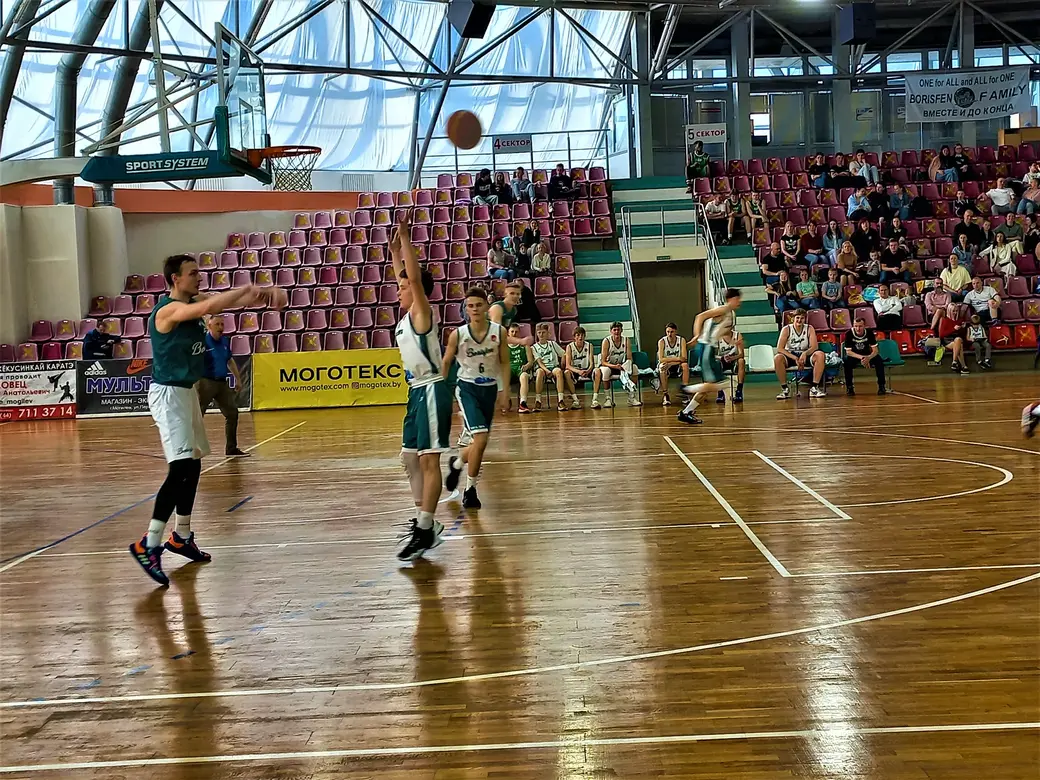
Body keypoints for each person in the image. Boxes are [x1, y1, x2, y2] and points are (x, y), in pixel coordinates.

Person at [128, 254, 285, 585]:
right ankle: (149, 542)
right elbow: (205, 308)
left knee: (195, 463)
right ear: (175, 279)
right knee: (181, 467)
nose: (199, 277)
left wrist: (266, 293)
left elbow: (218, 303)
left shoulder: (193, 299)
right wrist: (248, 287)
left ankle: (181, 536)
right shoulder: (168, 311)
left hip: (186, 391)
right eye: (193, 273)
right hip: (169, 395)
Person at [391, 216, 453, 561]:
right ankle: (424, 521)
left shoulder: (422, 313)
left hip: (431, 388)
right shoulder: (405, 318)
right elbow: (404, 276)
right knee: (408, 457)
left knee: (429, 461)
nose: (398, 289)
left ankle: (426, 527)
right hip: (415, 392)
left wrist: (404, 238)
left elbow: (412, 279)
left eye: (402, 288)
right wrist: (393, 252)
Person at [441, 286, 511, 509]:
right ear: (466, 309)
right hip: (467, 388)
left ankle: (458, 463)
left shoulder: (498, 332)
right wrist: (442, 391)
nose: (474, 309)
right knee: (480, 440)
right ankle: (470, 490)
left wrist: (505, 391)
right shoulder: (458, 334)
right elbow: (446, 362)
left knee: (479, 444)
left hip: (489, 389)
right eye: (470, 305)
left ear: (487, 306)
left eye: (478, 305)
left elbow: (505, 362)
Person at [677, 288, 742, 424]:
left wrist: (733, 342)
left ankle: (686, 412)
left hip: (710, 348)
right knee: (717, 384)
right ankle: (685, 389)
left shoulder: (730, 315)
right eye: (738, 299)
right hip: (706, 347)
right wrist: (697, 335)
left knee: (709, 386)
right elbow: (700, 317)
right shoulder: (723, 309)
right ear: (731, 299)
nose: (739, 301)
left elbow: (722, 333)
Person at [196, 315, 248, 457]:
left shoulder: (225, 341)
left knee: (232, 413)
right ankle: (190, 449)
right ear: (209, 326)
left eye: (222, 324)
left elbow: (229, 361)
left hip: (222, 383)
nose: (220, 327)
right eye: (217, 324)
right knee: (197, 416)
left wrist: (237, 379)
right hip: (205, 382)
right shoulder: (203, 342)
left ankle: (231, 448)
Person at [774, 308, 827, 399]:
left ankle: (814, 388)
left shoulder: (809, 328)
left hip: (805, 353)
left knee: (820, 355)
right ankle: (785, 389)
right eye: (797, 318)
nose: (799, 320)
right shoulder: (786, 329)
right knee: (777, 358)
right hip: (791, 355)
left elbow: (814, 347)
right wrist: (795, 358)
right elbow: (780, 348)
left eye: (802, 318)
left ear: (805, 319)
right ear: (793, 318)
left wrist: (805, 354)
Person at [530, 322, 576, 411]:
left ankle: (560, 400)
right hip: (542, 368)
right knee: (539, 372)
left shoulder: (552, 344)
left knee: (558, 371)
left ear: (548, 333)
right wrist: (546, 370)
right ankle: (538, 401)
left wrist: (563, 359)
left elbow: (564, 353)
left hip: (553, 366)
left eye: (543, 332)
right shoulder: (534, 347)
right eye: (539, 333)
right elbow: (539, 362)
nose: (541, 334)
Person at [596, 321, 641, 408]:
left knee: (634, 368)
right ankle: (608, 399)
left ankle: (631, 397)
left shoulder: (626, 340)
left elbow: (629, 358)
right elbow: (603, 361)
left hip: (622, 365)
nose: (616, 332)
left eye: (618, 330)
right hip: (609, 365)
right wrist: (614, 366)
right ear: (611, 331)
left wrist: (625, 365)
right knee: (605, 371)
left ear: (621, 330)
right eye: (614, 330)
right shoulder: (606, 341)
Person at [842, 317, 886, 396]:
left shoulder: (869, 333)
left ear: (864, 326)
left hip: (867, 355)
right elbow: (849, 352)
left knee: (879, 360)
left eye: (860, 326)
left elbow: (875, 350)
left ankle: (881, 386)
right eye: (856, 326)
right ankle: (849, 387)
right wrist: (862, 358)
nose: (858, 328)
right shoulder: (849, 333)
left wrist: (868, 358)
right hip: (855, 356)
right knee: (847, 361)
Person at [656, 322, 689, 406]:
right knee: (662, 367)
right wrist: (677, 358)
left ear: (676, 332)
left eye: (672, 332)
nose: (669, 334)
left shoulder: (681, 340)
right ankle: (665, 395)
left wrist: (671, 363)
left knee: (685, 365)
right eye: (668, 332)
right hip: (666, 364)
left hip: (677, 364)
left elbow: (684, 358)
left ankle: (685, 392)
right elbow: (661, 359)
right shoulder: (662, 341)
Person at [563, 326, 596, 408]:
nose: (580, 337)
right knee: (566, 372)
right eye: (578, 335)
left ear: (585, 336)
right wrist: (578, 371)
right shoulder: (569, 347)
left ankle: (595, 400)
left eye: (582, 335)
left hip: (586, 369)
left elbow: (592, 363)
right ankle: (575, 400)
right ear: (574, 337)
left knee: (598, 371)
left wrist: (588, 370)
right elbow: (567, 365)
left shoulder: (589, 346)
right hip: (575, 370)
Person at [507, 322, 536, 413]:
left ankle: (522, 403)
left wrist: (527, 365)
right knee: (502, 377)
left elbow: (530, 361)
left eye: (516, 332)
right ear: (508, 333)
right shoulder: (504, 346)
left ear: (519, 333)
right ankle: (506, 400)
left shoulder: (524, 345)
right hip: (509, 369)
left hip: (520, 369)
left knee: (524, 376)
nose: (514, 334)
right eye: (512, 331)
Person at [716, 330, 745, 404]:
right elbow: (713, 355)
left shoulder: (737, 335)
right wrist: (723, 358)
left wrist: (732, 358)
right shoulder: (717, 336)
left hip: (734, 360)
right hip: (721, 360)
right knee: (716, 363)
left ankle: (739, 391)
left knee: (741, 361)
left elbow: (741, 354)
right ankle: (720, 392)